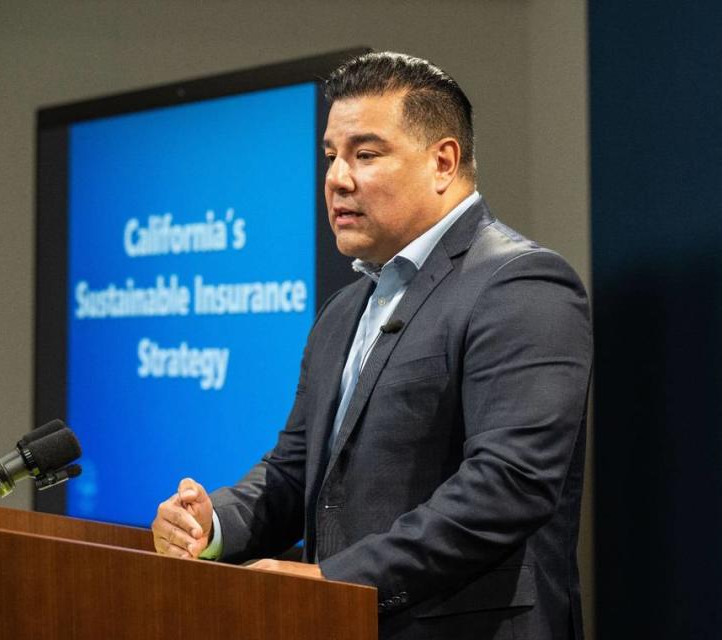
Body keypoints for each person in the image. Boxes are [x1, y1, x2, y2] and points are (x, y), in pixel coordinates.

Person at [151, 51, 592, 640]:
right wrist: (215, 523)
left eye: (365, 154)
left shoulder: (520, 284)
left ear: (443, 162)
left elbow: (507, 488)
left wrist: (336, 582)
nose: (337, 177)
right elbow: (294, 471)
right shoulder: (343, 311)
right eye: (331, 156)